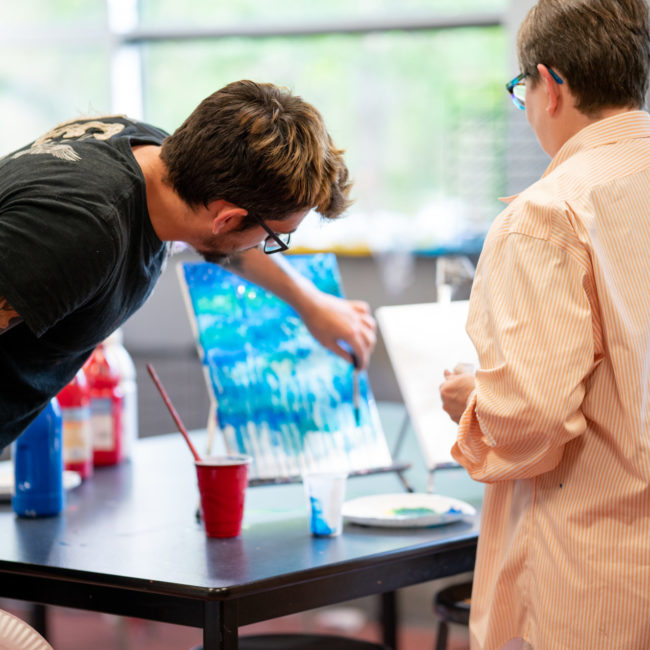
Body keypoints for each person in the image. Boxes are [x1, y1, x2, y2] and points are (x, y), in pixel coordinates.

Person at [0, 80, 376, 449]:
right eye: (272, 237)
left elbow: (227, 240)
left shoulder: (156, 153)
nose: (264, 245)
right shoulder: (85, 230)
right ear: (227, 219)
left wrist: (309, 302)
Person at [439, 1, 650, 648]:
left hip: (588, 574)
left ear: (550, 84)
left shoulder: (545, 217)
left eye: (520, 89)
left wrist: (473, 402)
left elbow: (531, 418)